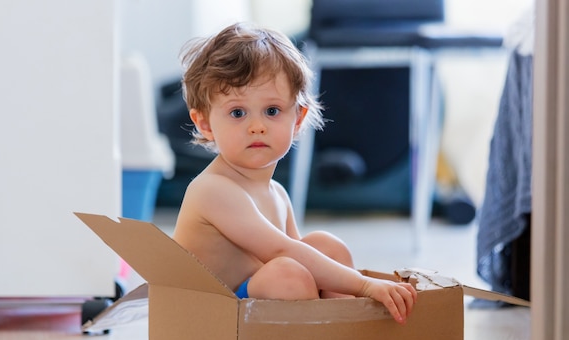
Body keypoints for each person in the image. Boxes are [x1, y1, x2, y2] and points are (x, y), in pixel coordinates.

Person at [172, 23, 417, 324]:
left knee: (327, 247)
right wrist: (365, 285)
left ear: (297, 118)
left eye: (272, 111)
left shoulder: (278, 194)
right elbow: (282, 252)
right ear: (205, 124)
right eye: (238, 113)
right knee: (288, 275)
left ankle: (342, 336)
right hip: (215, 320)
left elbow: (303, 258)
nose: (257, 126)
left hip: (257, 307)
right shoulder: (212, 189)